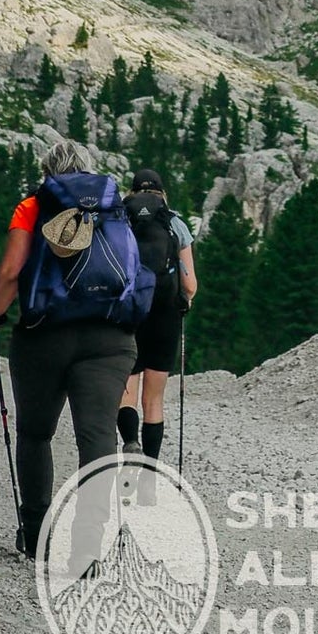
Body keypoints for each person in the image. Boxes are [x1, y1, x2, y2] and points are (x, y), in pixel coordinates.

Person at [0, 140, 139, 561]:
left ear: (48, 172)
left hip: (44, 335)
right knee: (98, 437)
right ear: (88, 170)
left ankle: (37, 538)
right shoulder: (112, 207)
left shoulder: (33, 206)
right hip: (110, 337)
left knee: (35, 433)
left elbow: (12, 272)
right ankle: (87, 549)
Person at [117, 167, 197, 495]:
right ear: (162, 193)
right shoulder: (174, 223)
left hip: (128, 313)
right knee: (154, 398)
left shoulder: (120, 219)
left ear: (133, 192)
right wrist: (184, 300)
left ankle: (130, 443)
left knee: (127, 392)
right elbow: (190, 283)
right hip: (164, 315)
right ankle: (149, 477)